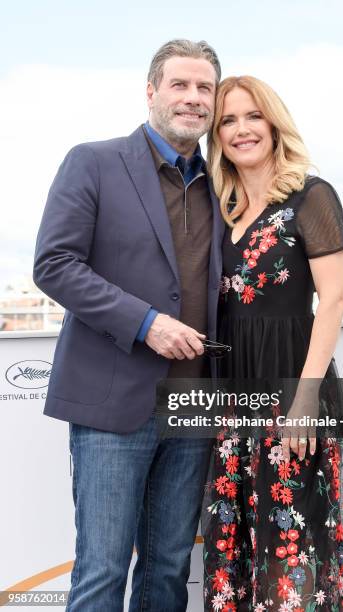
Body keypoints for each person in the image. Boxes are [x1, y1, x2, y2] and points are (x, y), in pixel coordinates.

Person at [33, 39, 225, 612]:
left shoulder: (227, 181)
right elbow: (54, 264)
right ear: (151, 91)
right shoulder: (93, 160)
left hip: (196, 404)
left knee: (167, 572)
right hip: (114, 401)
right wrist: (146, 323)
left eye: (205, 88)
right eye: (180, 85)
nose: (193, 98)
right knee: (102, 571)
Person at [202, 77, 343, 611]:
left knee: (294, 547)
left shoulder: (311, 196)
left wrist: (306, 398)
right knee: (236, 544)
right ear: (216, 135)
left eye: (252, 117)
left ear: (274, 124)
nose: (241, 130)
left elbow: (333, 300)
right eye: (227, 121)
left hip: (293, 389)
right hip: (234, 398)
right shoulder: (222, 209)